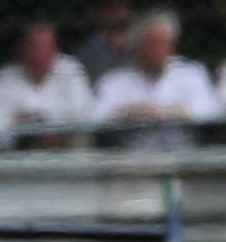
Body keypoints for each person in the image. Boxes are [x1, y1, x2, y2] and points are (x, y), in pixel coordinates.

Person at [92, 9, 222, 150]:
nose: (158, 49)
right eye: (151, 43)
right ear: (138, 46)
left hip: (185, 154)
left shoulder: (191, 73)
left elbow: (211, 110)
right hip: (133, 157)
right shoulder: (115, 80)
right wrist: (128, 113)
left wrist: (174, 113)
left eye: (164, 42)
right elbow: (95, 117)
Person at [0, 22, 93, 150]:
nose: (45, 53)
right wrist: (28, 130)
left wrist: (40, 122)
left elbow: (84, 114)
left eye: (49, 47)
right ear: (22, 50)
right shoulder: (2, 82)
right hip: (20, 151)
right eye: (37, 47)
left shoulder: (70, 70)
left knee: (80, 138)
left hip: (65, 146)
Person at [75, 0, 134, 85]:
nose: (119, 9)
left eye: (122, 1)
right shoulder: (88, 53)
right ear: (97, 9)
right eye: (111, 3)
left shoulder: (143, 43)